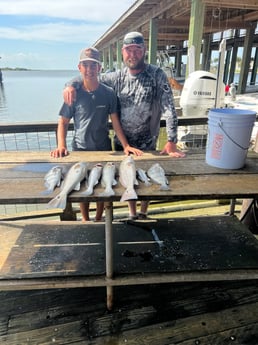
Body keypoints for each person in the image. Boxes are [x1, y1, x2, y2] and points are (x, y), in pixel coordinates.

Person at [63, 32, 185, 220]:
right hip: (122, 144)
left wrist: (171, 140)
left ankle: (143, 213)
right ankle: (132, 213)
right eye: (129, 50)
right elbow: (88, 76)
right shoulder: (116, 77)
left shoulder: (156, 74)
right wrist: (70, 84)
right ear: (123, 53)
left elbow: (169, 107)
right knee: (126, 179)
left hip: (147, 142)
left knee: (147, 179)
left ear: (144, 51)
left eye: (137, 50)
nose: (133, 54)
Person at [51, 46, 142, 221]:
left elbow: (115, 122)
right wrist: (60, 145)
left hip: (103, 149)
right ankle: (85, 219)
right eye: (85, 65)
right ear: (79, 68)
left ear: (99, 68)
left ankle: (99, 218)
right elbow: (63, 121)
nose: (89, 69)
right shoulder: (74, 94)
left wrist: (126, 146)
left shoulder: (108, 94)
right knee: (81, 185)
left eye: (93, 66)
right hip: (79, 148)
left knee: (102, 185)